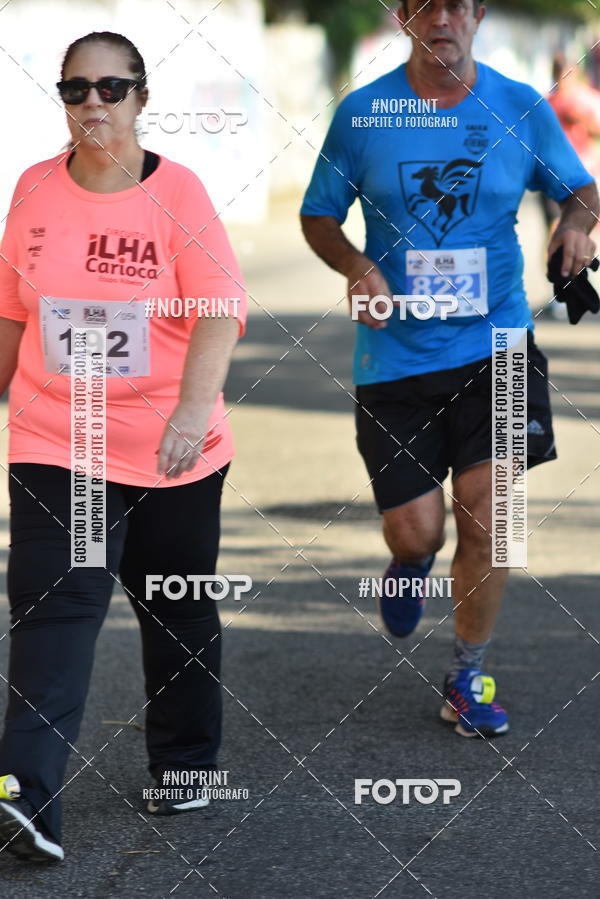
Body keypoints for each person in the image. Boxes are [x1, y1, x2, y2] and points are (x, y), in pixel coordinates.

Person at [300, 1, 598, 739]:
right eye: (425, 5)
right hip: (395, 358)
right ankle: (408, 562)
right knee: (416, 530)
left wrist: (575, 223)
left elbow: (581, 186)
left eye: (456, 4)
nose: (442, 18)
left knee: (491, 518)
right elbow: (318, 213)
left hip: (496, 345)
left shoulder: (519, 105)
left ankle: (469, 672)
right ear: (402, 15)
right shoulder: (364, 115)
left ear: (478, 14)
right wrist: (356, 262)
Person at [0, 31, 246, 861]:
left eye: (111, 88)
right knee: (53, 609)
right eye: (76, 90)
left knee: (174, 609)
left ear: (142, 97)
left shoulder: (179, 191)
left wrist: (190, 409)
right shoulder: (33, 188)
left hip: (174, 451)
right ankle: (24, 799)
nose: (93, 104)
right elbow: (10, 311)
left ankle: (183, 763)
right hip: (56, 441)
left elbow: (219, 308)